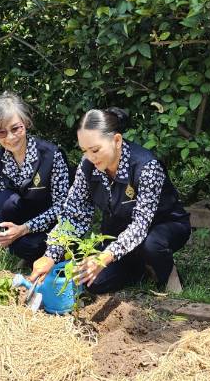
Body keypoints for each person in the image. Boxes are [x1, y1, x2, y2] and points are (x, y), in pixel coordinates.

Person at [30, 108, 190, 296]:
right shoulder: (87, 166)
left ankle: (165, 271)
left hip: (162, 226)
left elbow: (140, 225)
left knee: (152, 245)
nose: (90, 157)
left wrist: (104, 257)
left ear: (117, 140)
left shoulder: (146, 167)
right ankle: (140, 267)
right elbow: (74, 213)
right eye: (84, 151)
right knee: (91, 281)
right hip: (119, 232)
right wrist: (50, 255)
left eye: (95, 150)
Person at [0, 92, 71, 269]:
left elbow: (62, 207)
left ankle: (49, 253)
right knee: (4, 200)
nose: (10, 137)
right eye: (1, 132)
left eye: (16, 129)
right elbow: (0, 208)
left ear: (26, 124)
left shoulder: (51, 155)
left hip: (54, 225)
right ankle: (26, 249)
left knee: (27, 245)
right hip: (24, 222)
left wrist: (24, 229)